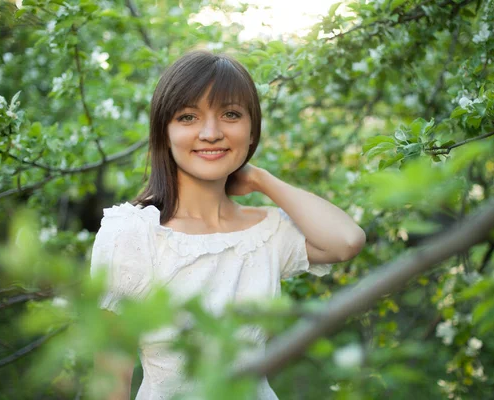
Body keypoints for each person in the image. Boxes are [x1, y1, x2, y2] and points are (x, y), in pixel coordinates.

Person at [90, 51, 366, 400]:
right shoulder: (133, 232)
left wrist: (262, 180)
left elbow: (347, 240)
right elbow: (110, 380)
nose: (211, 133)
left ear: (252, 131)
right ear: (165, 133)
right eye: (188, 117)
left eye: (230, 115)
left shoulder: (264, 230)